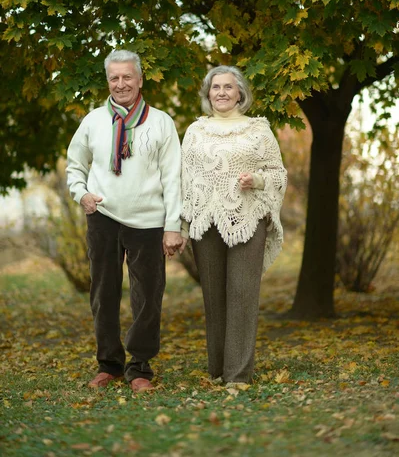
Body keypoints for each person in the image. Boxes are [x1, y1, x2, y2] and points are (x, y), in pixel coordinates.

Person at [66, 49, 183, 392]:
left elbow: (173, 177)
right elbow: (75, 164)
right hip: (102, 216)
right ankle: (109, 364)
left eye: (127, 77)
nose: (121, 84)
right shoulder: (93, 121)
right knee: (103, 293)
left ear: (140, 79)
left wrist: (173, 225)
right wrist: (81, 193)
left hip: (149, 220)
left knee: (148, 296)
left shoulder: (161, 121)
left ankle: (140, 366)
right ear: (108, 81)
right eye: (114, 78)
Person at [180, 65, 287, 386]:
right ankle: (217, 371)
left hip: (247, 218)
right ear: (207, 93)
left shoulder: (258, 130)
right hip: (205, 220)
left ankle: (238, 375)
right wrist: (181, 225)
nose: (222, 92)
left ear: (241, 93)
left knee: (242, 294)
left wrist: (256, 179)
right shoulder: (195, 132)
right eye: (216, 87)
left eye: (229, 87)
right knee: (213, 297)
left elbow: (278, 173)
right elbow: (184, 180)